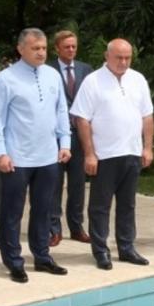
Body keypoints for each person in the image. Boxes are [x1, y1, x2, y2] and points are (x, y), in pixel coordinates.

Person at [0, 28, 72, 283]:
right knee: (12, 212)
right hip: (17, 158)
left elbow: (61, 110)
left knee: (44, 210)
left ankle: (42, 256)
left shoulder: (53, 75)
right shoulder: (5, 79)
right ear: (21, 49)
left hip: (48, 156)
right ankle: (14, 261)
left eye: (43, 48)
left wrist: (65, 142)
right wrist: (0, 153)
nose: (41, 53)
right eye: (35, 48)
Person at [70, 38, 154, 270]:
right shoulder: (92, 81)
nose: (123, 62)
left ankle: (126, 248)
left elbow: (147, 115)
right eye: (119, 57)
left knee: (128, 205)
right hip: (104, 155)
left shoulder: (138, 79)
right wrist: (89, 154)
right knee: (100, 206)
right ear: (107, 56)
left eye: (127, 58)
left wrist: (147, 147)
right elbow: (82, 119)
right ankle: (100, 251)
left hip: (132, 153)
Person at [48, 30, 94, 247]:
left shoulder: (86, 70)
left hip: (80, 135)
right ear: (57, 48)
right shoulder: (48, 70)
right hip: (55, 136)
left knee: (77, 185)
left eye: (74, 46)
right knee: (54, 184)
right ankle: (54, 229)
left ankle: (76, 227)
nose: (71, 50)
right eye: (66, 46)